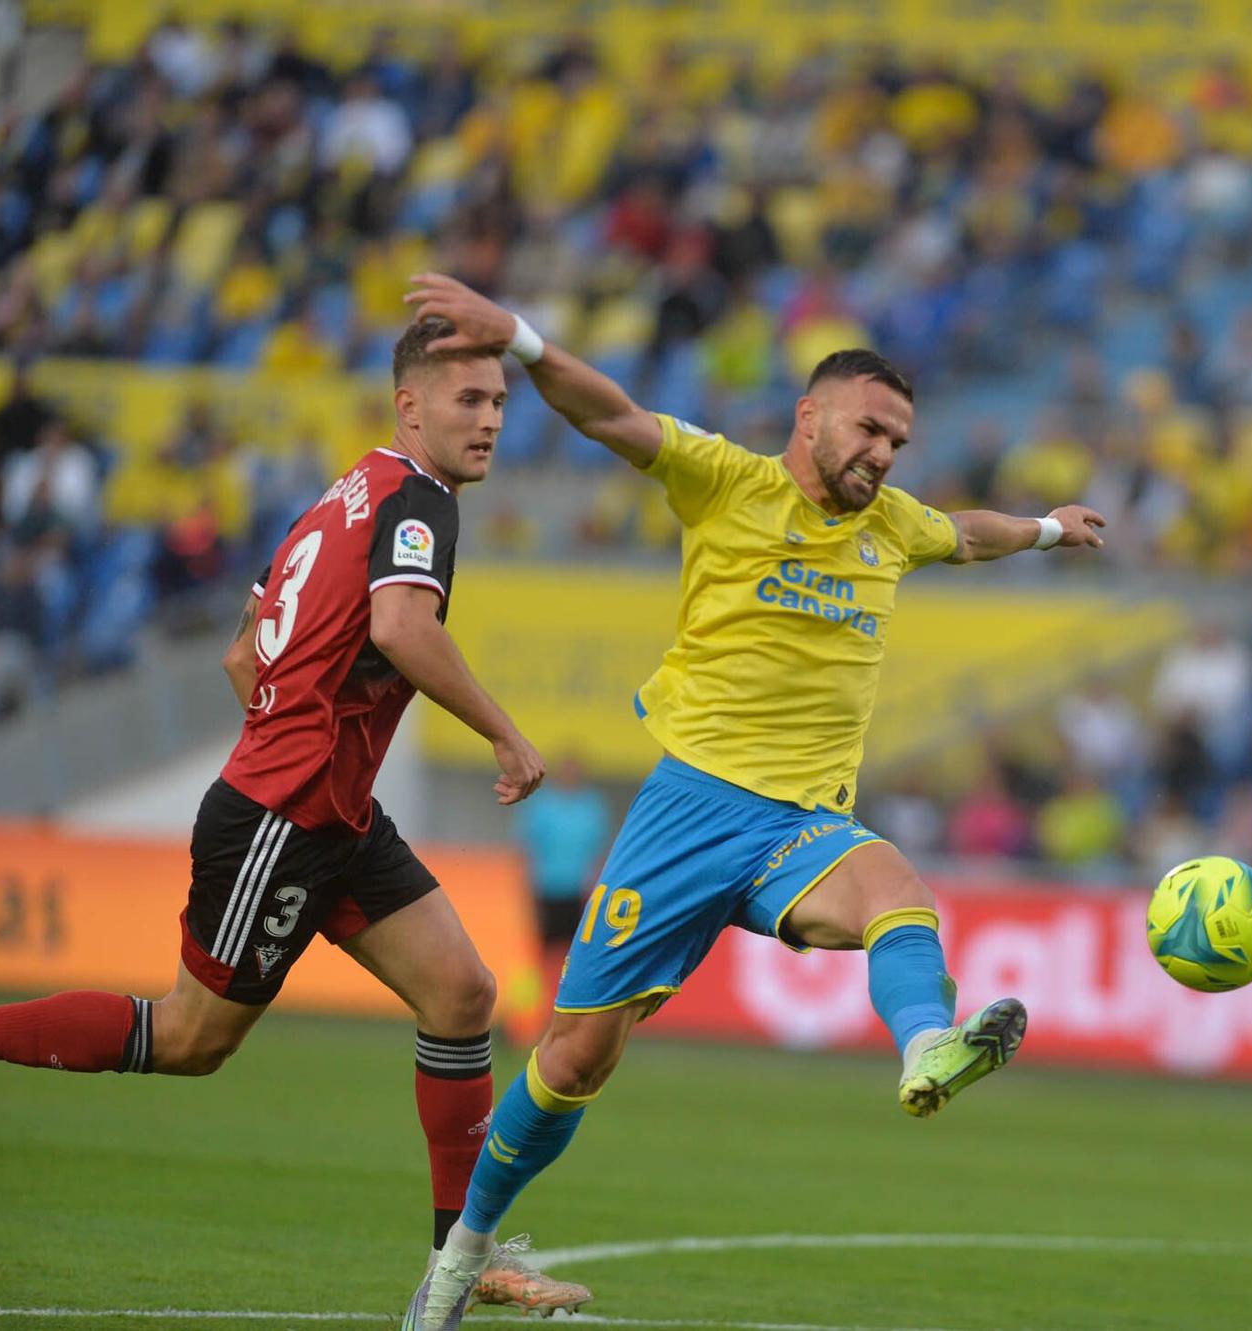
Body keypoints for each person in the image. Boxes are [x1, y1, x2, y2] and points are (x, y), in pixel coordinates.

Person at [397, 273, 1107, 1330]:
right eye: (870, 428)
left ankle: (926, 1048)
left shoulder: (894, 527)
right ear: (808, 418)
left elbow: (968, 531)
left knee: (900, 896)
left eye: (898, 442)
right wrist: (528, 342)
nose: (882, 453)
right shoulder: (727, 481)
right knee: (573, 1058)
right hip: (687, 814)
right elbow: (613, 416)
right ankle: (458, 1259)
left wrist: (1046, 528)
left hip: (799, 827)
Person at [0, 317, 590, 1318]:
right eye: (468, 401)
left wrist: (297, 732)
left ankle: (460, 1256)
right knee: (187, 1038)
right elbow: (399, 624)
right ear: (410, 406)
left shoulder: (342, 493)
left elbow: (240, 653)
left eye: (498, 403)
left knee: (463, 993)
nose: (489, 421)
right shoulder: (419, 502)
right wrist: (505, 734)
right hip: (287, 812)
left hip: (327, 810)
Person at [514, 754, 611, 994]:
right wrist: (527, 887)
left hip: (579, 892)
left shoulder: (592, 807)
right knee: (539, 955)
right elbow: (528, 848)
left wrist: (595, 889)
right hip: (546, 888)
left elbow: (599, 852)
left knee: (578, 955)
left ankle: (569, 1004)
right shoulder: (543, 806)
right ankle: (532, 1014)